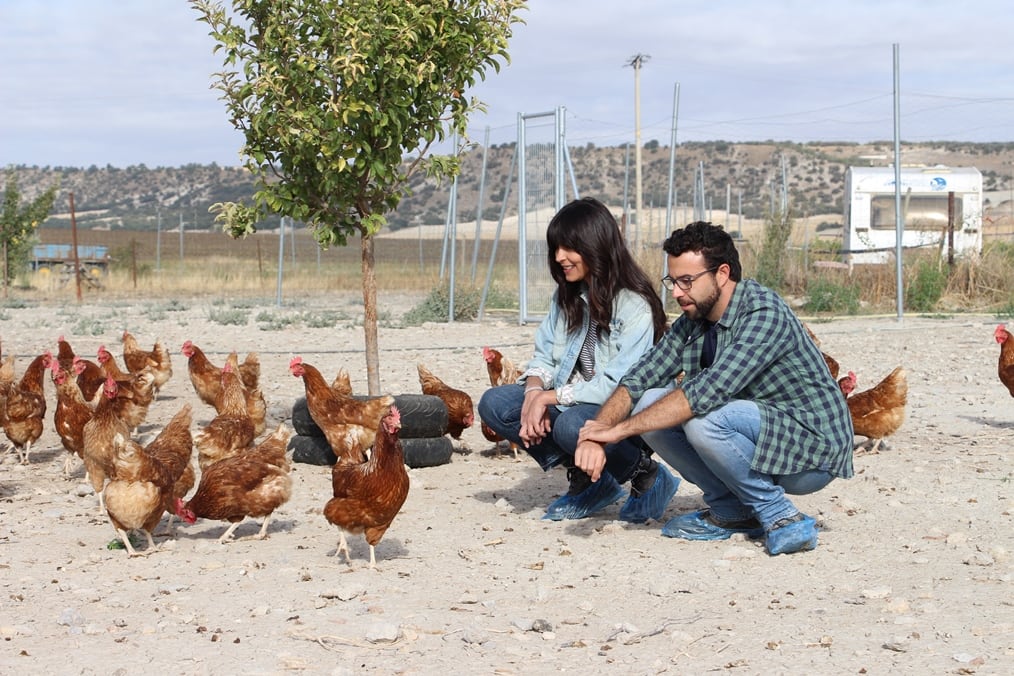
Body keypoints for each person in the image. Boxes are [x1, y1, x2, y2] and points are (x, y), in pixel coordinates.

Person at [575, 221, 853, 555]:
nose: (676, 292)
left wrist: (618, 432)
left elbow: (705, 393)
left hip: (811, 450)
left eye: (687, 281)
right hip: (761, 435)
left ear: (722, 273)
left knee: (703, 418)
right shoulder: (695, 318)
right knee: (649, 401)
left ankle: (780, 516)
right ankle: (731, 511)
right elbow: (639, 378)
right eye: (673, 281)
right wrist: (598, 430)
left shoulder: (762, 313)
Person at [477, 197, 677, 522]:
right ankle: (589, 480)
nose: (559, 258)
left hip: (625, 410)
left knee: (573, 425)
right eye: (556, 248)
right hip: (575, 401)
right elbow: (544, 356)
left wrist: (548, 397)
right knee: (496, 404)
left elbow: (618, 386)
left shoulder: (634, 306)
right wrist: (532, 395)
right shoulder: (567, 296)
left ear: (595, 246)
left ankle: (646, 474)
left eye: (568, 248)